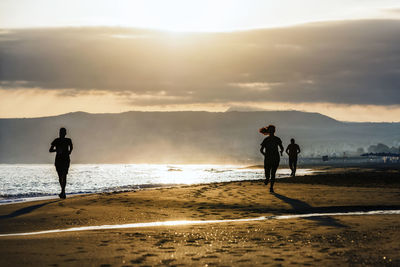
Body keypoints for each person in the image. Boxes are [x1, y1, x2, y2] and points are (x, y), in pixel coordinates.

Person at [49, 127, 73, 199]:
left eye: (62, 132)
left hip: (66, 160)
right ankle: (63, 191)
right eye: (60, 132)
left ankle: (63, 192)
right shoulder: (56, 140)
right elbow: (50, 150)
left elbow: (71, 147)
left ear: (65, 133)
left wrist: (69, 152)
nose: (61, 134)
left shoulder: (68, 140)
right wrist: (57, 150)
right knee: (60, 177)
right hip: (58, 160)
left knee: (64, 175)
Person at [259, 125, 284, 193]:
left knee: (269, 172)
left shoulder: (267, 140)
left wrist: (265, 155)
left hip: (270, 158)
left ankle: (270, 184)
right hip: (275, 157)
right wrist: (281, 151)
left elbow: (261, 150)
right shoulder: (276, 139)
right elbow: (282, 148)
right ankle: (270, 186)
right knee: (272, 173)